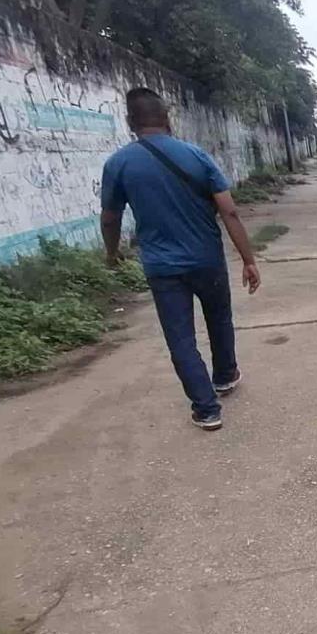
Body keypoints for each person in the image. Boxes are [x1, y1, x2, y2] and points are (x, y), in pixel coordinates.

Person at [100, 87, 262, 431]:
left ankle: (206, 409)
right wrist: (248, 259)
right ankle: (225, 375)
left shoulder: (118, 164)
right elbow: (229, 212)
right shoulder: (196, 156)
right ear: (167, 118)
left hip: (162, 267)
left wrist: (112, 254)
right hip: (208, 260)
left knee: (181, 338)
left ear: (130, 121)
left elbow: (110, 218)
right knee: (219, 318)